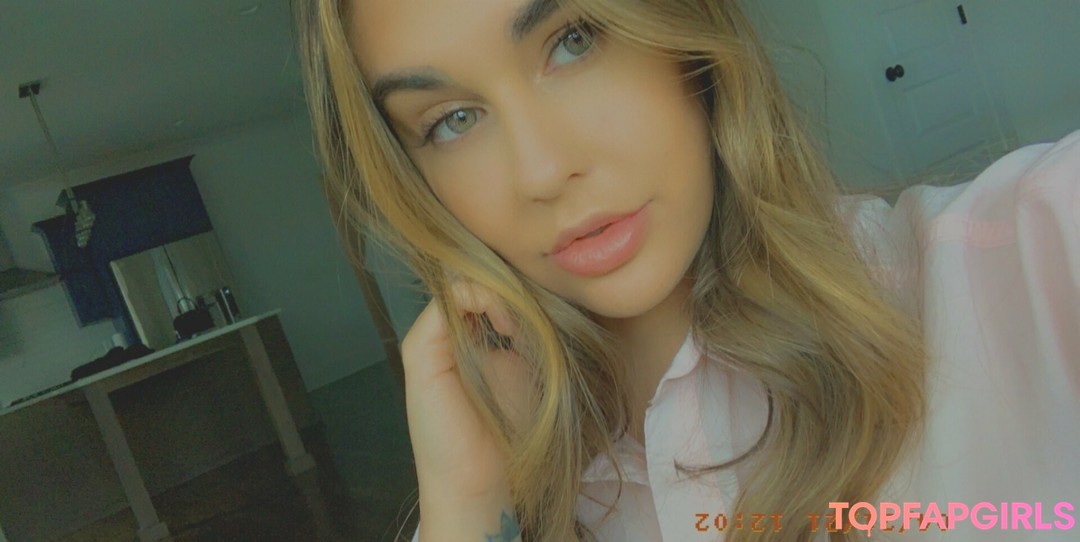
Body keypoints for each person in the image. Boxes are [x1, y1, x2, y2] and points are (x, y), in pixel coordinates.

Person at [293, 0, 1080, 540]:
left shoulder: (1032, 256)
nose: (541, 170)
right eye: (452, 120)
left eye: (575, 39)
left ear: (683, 29)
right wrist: (469, 511)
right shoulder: (502, 481)